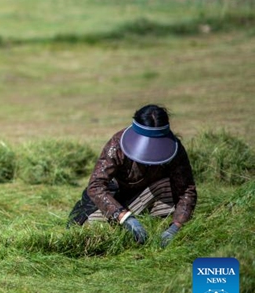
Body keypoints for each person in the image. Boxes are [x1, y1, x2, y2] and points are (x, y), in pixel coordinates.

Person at [66, 104, 197, 246]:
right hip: (114, 204)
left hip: (144, 200)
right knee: (93, 229)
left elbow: (186, 190)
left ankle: (157, 227)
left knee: (165, 185)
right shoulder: (117, 145)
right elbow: (96, 186)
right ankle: (129, 228)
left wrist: (176, 226)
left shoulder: (174, 149)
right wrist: (124, 217)